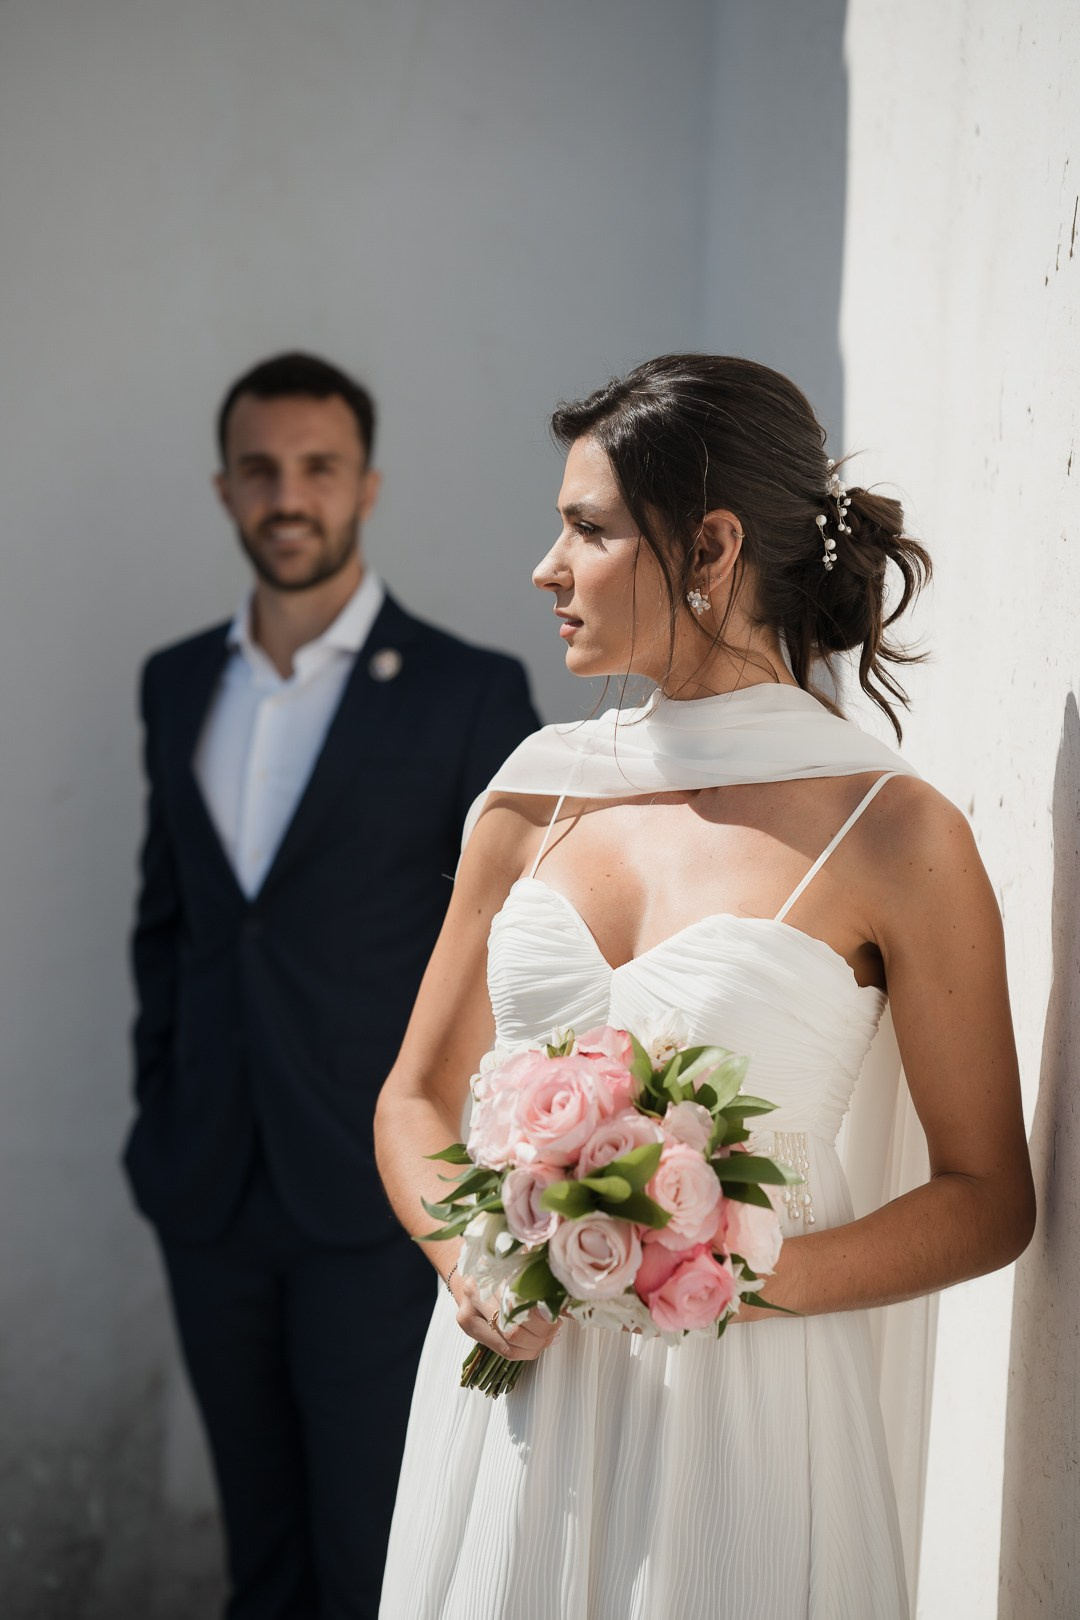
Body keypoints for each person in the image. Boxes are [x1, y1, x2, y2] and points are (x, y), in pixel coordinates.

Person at [373, 354, 1035, 1620]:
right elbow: (412, 1099)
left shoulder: (895, 836)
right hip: (518, 1410)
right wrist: (473, 1259)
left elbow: (988, 1200)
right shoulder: (531, 799)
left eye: (588, 529)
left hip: (747, 1419)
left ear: (711, 547)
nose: (546, 568)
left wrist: (725, 1268)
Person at [123, 351, 540, 1620]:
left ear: (367, 486)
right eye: (260, 469)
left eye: (317, 468)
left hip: (377, 1201)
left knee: (373, 1548)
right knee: (262, 1548)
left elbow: (508, 963)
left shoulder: (472, 693)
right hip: (207, 1187)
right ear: (223, 488)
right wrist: (159, 1113)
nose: (287, 495)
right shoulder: (177, 680)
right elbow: (172, 923)